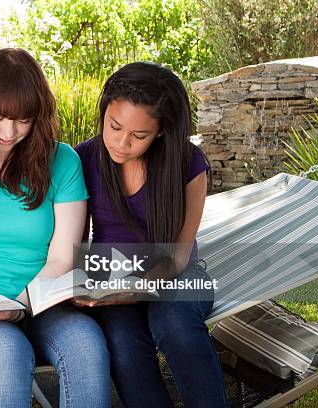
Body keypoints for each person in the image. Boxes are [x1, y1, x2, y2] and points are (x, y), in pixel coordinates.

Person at [0, 48, 111, 408]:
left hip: (47, 303)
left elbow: (62, 257)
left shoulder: (63, 162)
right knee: (7, 353)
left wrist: (19, 304)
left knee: (86, 345)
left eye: (22, 120)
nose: (8, 132)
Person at [74, 62, 228, 408]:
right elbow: (78, 246)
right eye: (114, 126)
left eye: (138, 135)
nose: (121, 142)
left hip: (178, 273)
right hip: (110, 279)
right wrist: (86, 287)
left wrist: (137, 289)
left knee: (174, 323)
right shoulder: (84, 158)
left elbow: (178, 255)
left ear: (161, 131)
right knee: (125, 346)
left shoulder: (188, 163)